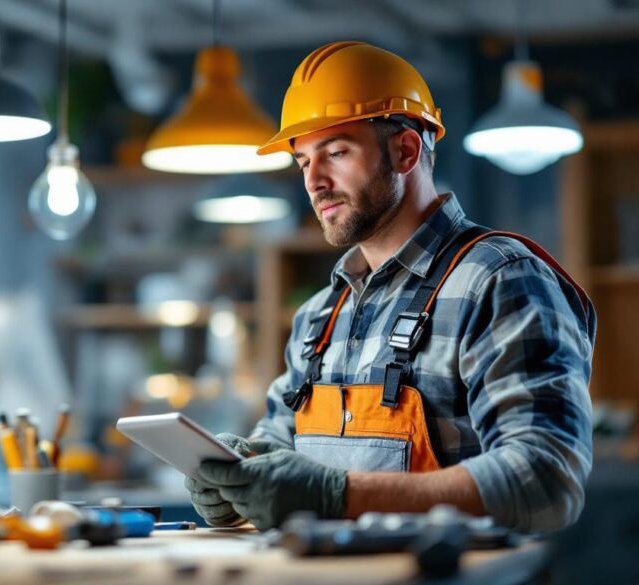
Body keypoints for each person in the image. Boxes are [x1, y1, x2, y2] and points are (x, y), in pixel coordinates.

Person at [186, 41, 595, 534]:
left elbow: (545, 480)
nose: (314, 181)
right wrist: (239, 475)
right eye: (302, 162)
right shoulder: (320, 314)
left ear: (404, 150)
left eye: (335, 152)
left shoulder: (498, 280)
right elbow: (282, 444)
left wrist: (338, 497)